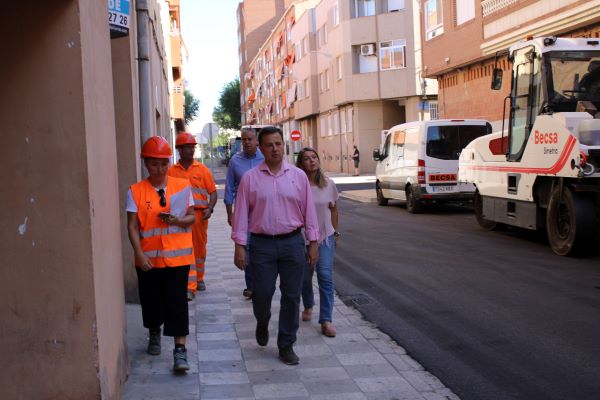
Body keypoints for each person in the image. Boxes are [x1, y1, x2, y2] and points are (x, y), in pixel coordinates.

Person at [232, 126, 319, 365]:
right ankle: (262, 320)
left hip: (292, 243)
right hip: (262, 245)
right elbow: (241, 215)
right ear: (261, 148)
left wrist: (313, 242)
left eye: (279, 144)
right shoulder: (250, 179)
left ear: (284, 146)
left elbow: (309, 211)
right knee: (262, 294)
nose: (275, 149)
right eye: (269, 145)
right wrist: (240, 246)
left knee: (292, 296)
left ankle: (286, 344)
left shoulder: (298, 176)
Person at [126, 136, 195, 372]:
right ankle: (154, 332)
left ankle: (180, 351)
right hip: (149, 260)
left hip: (178, 258)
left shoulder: (182, 186)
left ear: (169, 162)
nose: (160, 168)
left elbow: (192, 217)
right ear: (146, 164)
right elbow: (132, 226)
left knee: (177, 303)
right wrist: (139, 254)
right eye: (154, 163)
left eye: (164, 163)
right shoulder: (136, 191)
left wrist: (178, 219)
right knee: (152, 301)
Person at [296, 148, 340, 338]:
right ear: (300, 164)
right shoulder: (297, 185)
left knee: (324, 275)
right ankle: (308, 304)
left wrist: (335, 233)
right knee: (305, 278)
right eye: (306, 159)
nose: (311, 161)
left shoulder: (328, 184)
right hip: (303, 239)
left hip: (325, 237)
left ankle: (326, 320)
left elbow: (334, 210)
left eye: (314, 157)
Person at [168, 132, 217, 300]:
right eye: (187, 147)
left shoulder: (202, 170)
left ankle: (199, 278)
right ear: (179, 150)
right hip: (179, 218)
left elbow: (213, 192)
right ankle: (188, 283)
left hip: (198, 216)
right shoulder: (171, 171)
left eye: (193, 147)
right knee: (182, 249)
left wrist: (210, 208)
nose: (191, 150)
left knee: (199, 248)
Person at [224, 127, 264, 299]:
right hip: (243, 212)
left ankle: (262, 283)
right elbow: (229, 188)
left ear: (257, 141)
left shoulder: (265, 158)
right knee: (246, 246)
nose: (247, 142)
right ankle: (251, 286)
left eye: (250, 139)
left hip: (263, 210)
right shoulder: (235, 161)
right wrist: (229, 213)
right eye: (244, 139)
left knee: (261, 247)